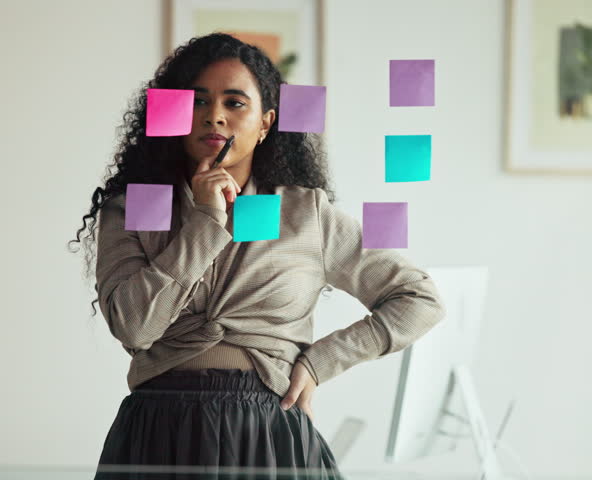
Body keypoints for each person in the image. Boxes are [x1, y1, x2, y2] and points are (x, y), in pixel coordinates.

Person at [70, 33, 445, 479]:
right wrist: (205, 224)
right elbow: (134, 327)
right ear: (173, 113)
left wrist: (321, 362)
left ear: (266, 123)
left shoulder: (305, 212)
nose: (215, 117)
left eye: (235, 103)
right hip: (158, 435)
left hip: (268, 435)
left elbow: (418, 299)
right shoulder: (131, 210)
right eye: (198, 102)